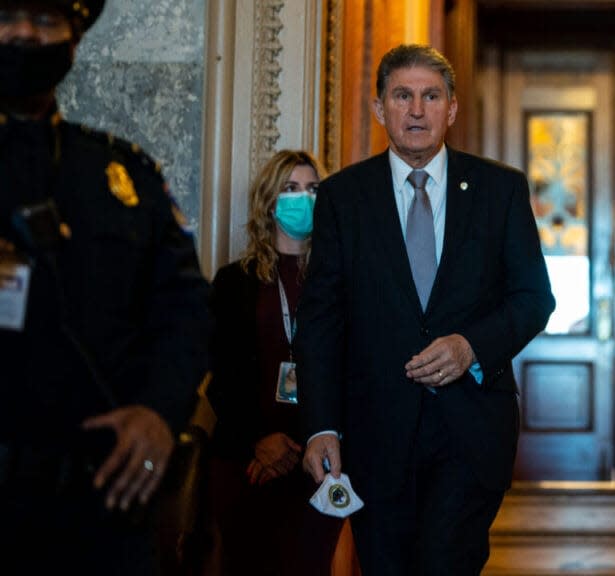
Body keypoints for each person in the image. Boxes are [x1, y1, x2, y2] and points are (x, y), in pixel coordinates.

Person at [295, 44, 555, 575]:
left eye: (431, 96)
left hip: (471, 430)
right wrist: (321, 424)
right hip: (374, 434)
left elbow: (534, 298)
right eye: (403, 96)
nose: (417, 110)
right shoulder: (344, 197)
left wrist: (470, 346)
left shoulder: (499, 189)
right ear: (379, 109)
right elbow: (321, 320)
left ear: (451, 109)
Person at [0, 0, 210, 574]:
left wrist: (160, 413)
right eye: (7, 15)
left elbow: (187, 312)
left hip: (103, 508)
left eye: (44, 20)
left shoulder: (124, 176)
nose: (23, 33)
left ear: (74, 37)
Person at [207, 150, 345, 575]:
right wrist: (260, 440)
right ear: (270, 200)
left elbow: (351, 370)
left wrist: (316, 440)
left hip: (318, 460)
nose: (303, 198)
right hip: (250, 461)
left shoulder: (340, 280)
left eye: (312, 189)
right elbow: (221, 377)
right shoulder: (234, 282)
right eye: (290, 189)